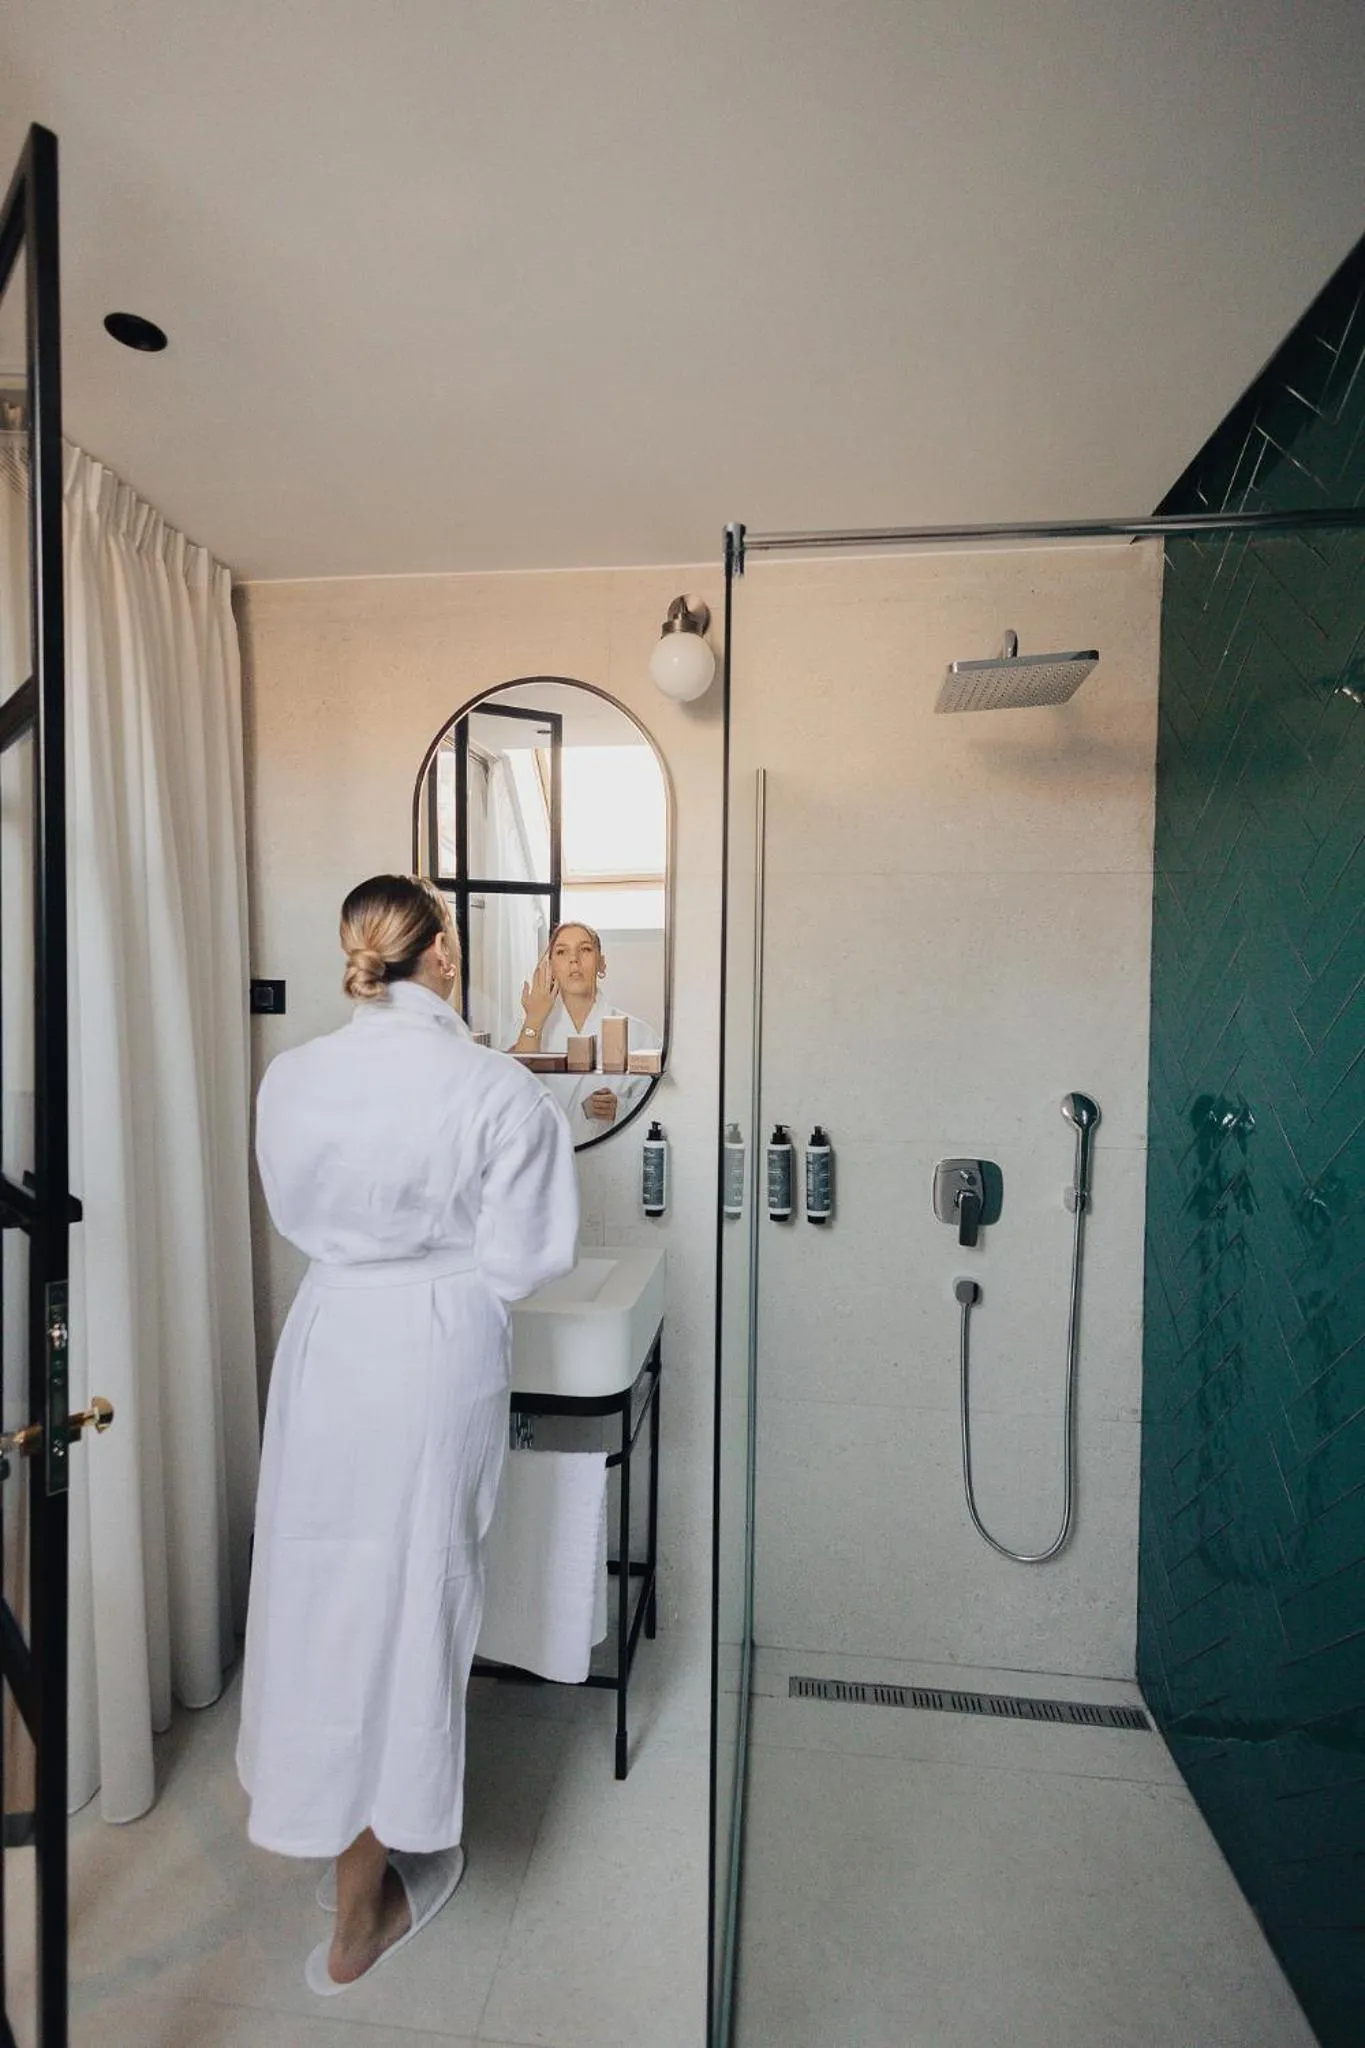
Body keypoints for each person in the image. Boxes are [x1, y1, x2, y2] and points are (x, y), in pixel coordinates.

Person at [237, 875, 577, 1995]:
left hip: (329, 1334)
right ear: (439, 955)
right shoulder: (495, 1088)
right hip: (435, 1348)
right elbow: (526, 1262)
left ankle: (335, 1830)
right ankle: (359, 1912)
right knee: (412, 1597)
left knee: (320, 1589)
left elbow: (298, 1211)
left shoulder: (292, 1077)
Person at [509, 920, 661, 1138]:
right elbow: (511, 1098)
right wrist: (534, 1020)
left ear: (602, 963)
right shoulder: (526, 1029)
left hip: (612, 1161)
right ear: (550, 966)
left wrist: (621, 1108)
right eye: (562, 952)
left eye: (585, 949)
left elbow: (660, 1112)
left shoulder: (640, 1036)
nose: (574, 959)